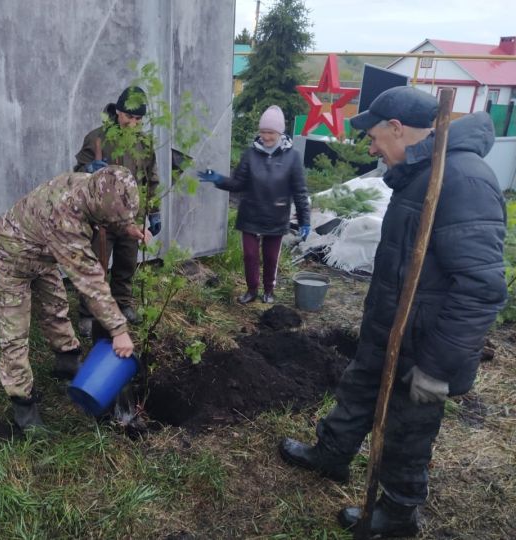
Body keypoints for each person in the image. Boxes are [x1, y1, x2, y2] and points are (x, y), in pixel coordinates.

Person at [277, 87, 507, 537]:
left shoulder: (463, 180)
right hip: (389, 329)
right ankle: (331, 454)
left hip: (424, 348)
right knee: (358, 388)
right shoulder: (419, 175)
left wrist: (436, 369)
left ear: (398, 129)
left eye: (375, 136)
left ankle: (398, 514)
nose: (370, 146)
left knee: (407, 430)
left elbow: (481, 289)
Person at [0, 165, 148, 430]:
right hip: (9, 255)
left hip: (42, 250)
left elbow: (109, 208)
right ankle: (23, 406)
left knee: (56, 308)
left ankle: (67, 363)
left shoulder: (92, 185)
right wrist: (118, 330)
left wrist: (126, 226)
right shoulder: (66, 219)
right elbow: (90, 281)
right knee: (15, 333)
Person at [198, 105, 310, 304]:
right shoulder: (250, 154)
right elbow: (238, 183)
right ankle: (251, 290)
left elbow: (300, 192)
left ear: (280, 133)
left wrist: (305, 220)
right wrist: (217, 179)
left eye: (271, 133)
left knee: (270, 257)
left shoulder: (292, 157)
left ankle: (269, 290)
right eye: (263, 132)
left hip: (276, 215)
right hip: (251, 213)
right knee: (250, 255)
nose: (266, 137)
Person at [74, 86, 160, 336]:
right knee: (95, 267)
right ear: (118, 112)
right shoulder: (97, 138)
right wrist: (88, 168)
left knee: (127, 263)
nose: (133, 124)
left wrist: (153, 211)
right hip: (101, 219)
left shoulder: (144, 143)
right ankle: (88, 314)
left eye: (138, 119)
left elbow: (150, 179)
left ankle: (123, 303)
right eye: (128, 117)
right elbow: (76, 173)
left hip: (131, 218)